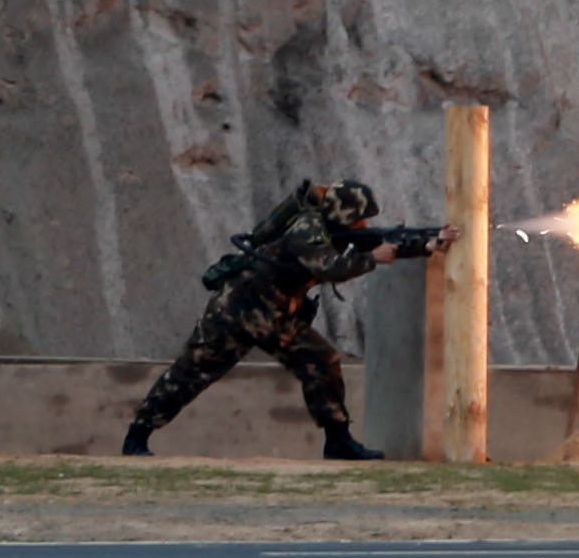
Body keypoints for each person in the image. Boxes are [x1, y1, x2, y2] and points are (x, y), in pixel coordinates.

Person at [122, 179, 427, 460]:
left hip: (276, 314)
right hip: (239, 309)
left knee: (322, 360)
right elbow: (330, 268)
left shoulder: (332, 229)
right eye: (360, 217)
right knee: (190, 372)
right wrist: (372, 258)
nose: (365, 224)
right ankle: (137, 436)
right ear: (345, 215)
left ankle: (338, 441)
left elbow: (378, 241)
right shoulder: (307, 229)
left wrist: (427, 244)